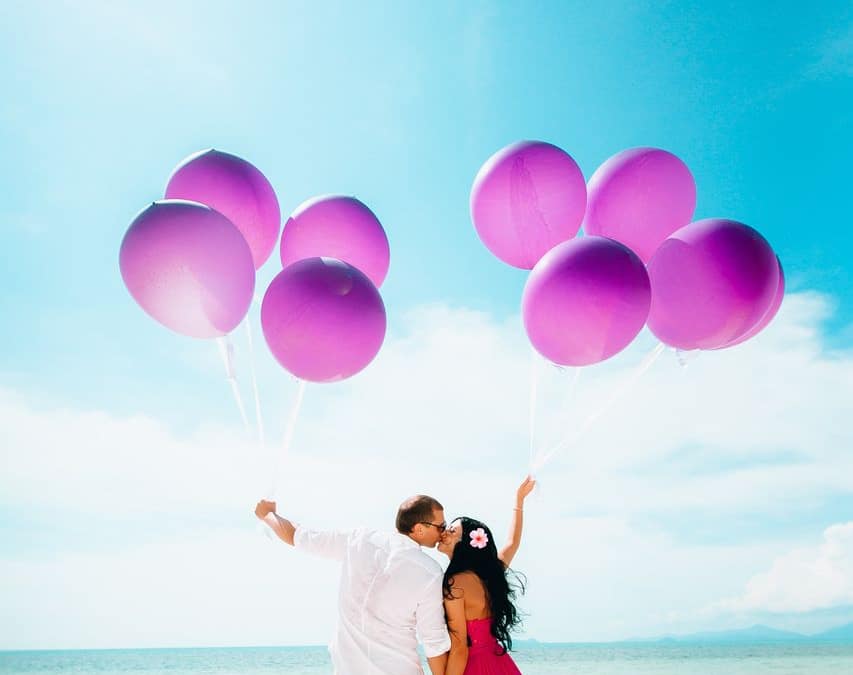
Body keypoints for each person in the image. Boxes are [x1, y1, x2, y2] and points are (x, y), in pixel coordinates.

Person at [255, 494, 451, 675]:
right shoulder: (430, 572)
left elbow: (298, 536)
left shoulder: (358, 539)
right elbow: (433, 642)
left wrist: (268, 515)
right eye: (440, 526)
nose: (443, 532)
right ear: (419, 528)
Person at [437, 477, 535, 675]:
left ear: (466, 545)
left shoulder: (456, 583)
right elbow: (512, 543)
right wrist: (519, 501)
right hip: (499, 662)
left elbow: (460, 648)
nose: (444, 532)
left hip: (474, 666)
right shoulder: (491, 573)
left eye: (452, 531)